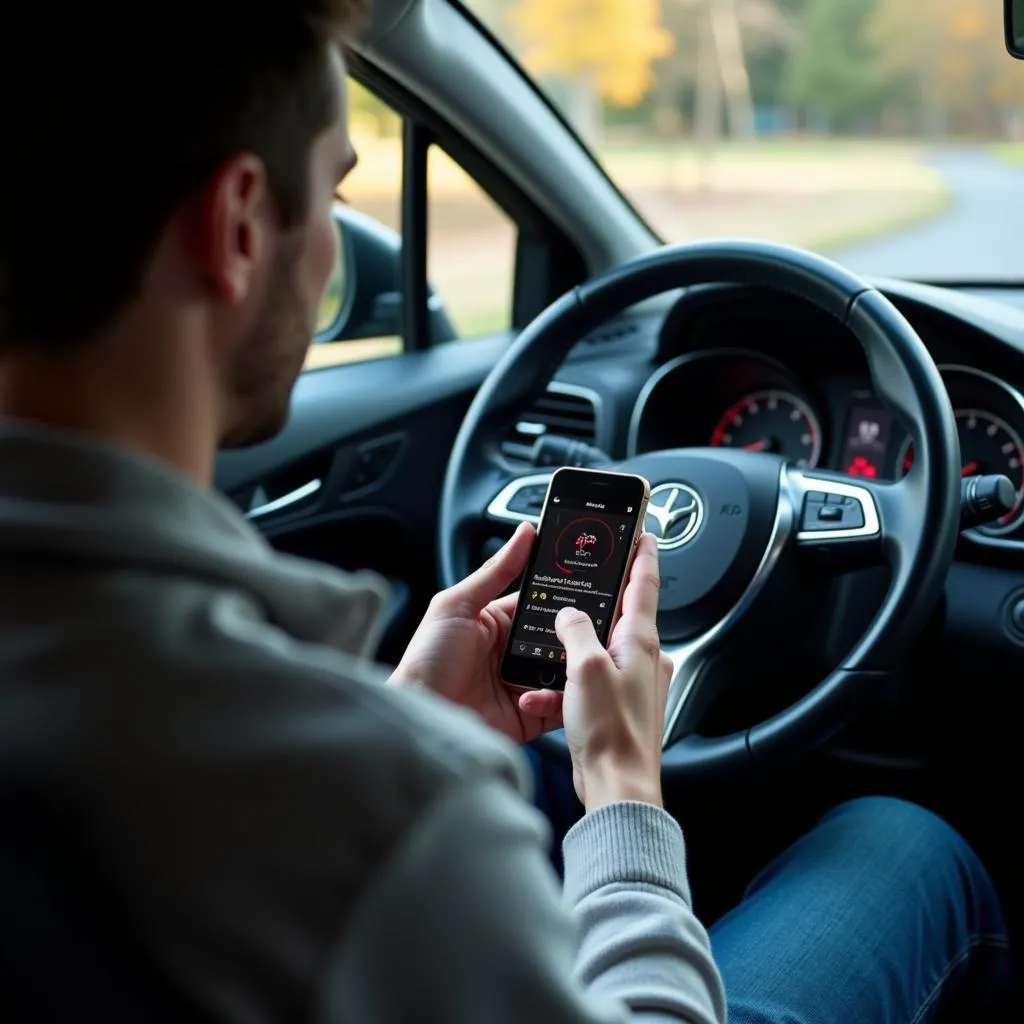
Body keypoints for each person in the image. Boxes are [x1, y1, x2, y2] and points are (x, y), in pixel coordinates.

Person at [0, 4, 1011, 1022]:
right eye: (337, 193)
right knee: (901, 844)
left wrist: (412, 714)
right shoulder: (375, 810)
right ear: (241, 227)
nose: (331, 265)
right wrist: (621, 789)